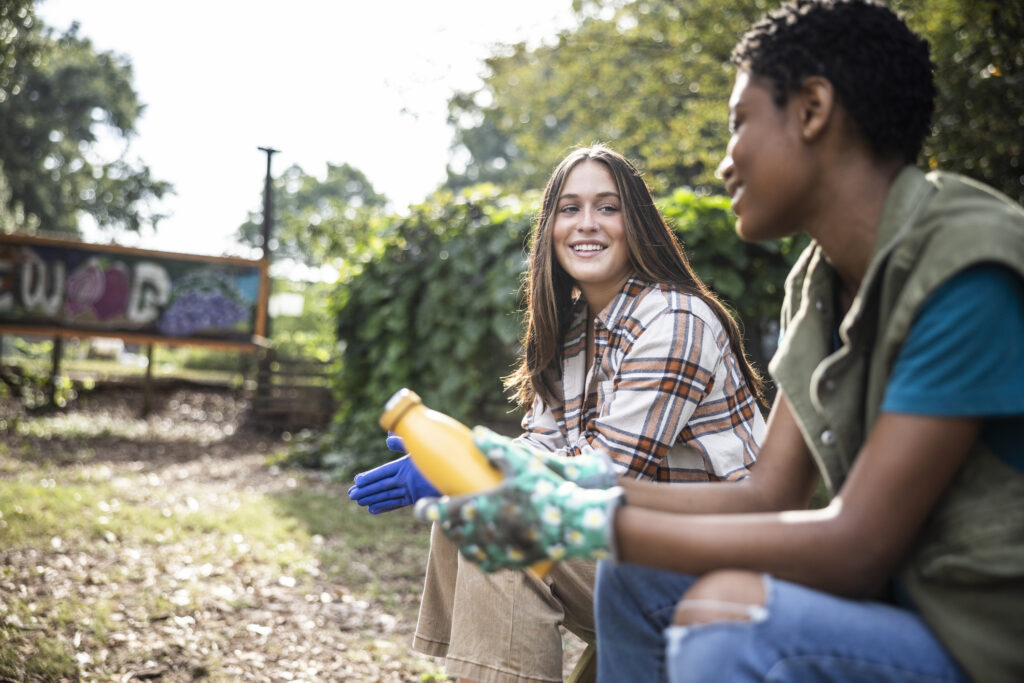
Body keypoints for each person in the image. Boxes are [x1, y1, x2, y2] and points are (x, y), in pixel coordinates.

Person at [415, 1, 1024, 682]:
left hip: (975, 634)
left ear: (812, 109)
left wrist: (591, 519)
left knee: (727, 619)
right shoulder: (821, 281)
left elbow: (857, 542)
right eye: (568, 207)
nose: (725, 162)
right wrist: (571, 482)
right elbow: (769, 493)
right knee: (635, 575)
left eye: (738, 123)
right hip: (881, 597)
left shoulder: (965, 265)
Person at [349, 144, 768, 682]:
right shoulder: (575, 329)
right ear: (549, 227)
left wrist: (480, 468)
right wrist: (456, 461)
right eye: (569, 209)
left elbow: (608, 478)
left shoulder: (674, 320)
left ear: (637, 223)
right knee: (469, 506)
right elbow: (546, 447)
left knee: (500, 521)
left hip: (718, 569)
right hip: (643, 549)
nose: (586, 224)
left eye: (607, 207)